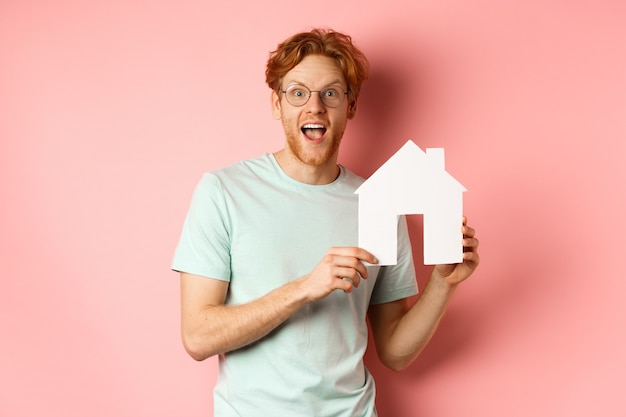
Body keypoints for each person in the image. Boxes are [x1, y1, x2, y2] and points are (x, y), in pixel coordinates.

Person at [172, 28, 479, 417]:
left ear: (350, 106)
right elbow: (198, 337)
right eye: (298, 92)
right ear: (276, 104)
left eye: (331, 93)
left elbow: (395, 352)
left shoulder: (379, 202)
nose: (314, 107)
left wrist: (442, 284)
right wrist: (304, 289)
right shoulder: (223, 191)